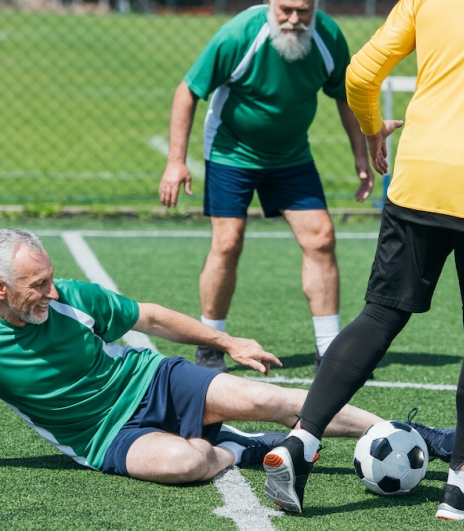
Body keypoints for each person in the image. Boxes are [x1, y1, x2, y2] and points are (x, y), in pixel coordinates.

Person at [262, 0, 464, 520]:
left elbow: (361, 74)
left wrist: (373, 126)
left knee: (380, 313)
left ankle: (301, 440)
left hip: (418, 177)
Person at [0, 229, 387, 487]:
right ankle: (241, 447)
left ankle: (415, 437)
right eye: (37, 286)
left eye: (51, 278)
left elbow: (150, 319)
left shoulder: (70, 297)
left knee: (270, 399)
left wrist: (228, 343)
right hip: (105, 437)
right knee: (185, 463)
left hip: (150, 380)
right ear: (0, 287)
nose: (50, 292)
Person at [158, 0, 372, 373]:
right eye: (285, 10)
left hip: (291, 156)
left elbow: (345, 95)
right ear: (270, 3)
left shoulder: (329, 37)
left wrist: (361, 155)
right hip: (232, 151)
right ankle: (210, 346)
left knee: (320, 237)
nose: (293, 20)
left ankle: (330, 351)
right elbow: (187, 91)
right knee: (227, 242)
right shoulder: (239, 34)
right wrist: (176, 162)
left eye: (303, 11)